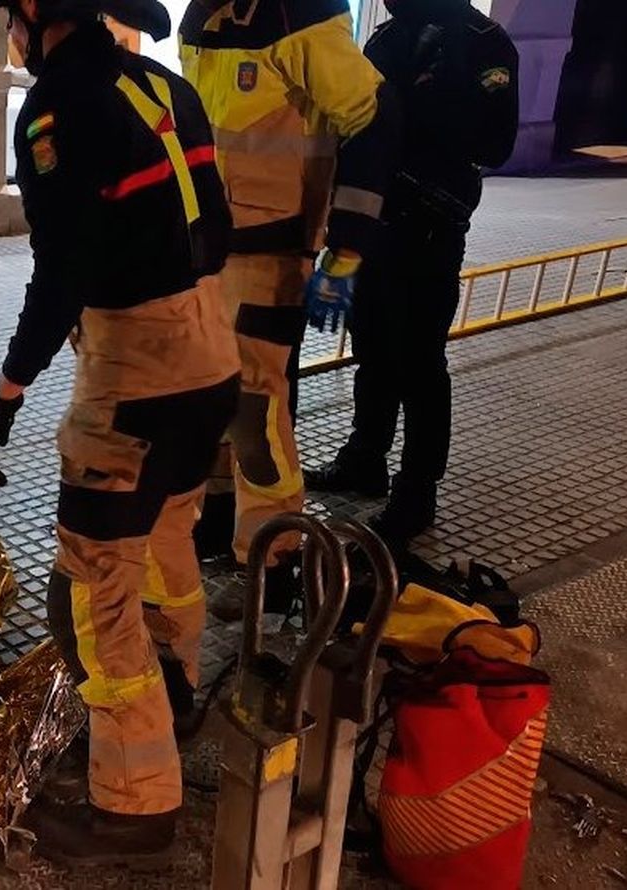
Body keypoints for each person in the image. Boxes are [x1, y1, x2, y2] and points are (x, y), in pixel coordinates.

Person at [0, 0, 237, 865]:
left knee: (88, 596)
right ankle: (177, 698)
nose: (5, 29)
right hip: (212, 354)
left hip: (138, 377)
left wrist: (7, 390)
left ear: (36, 11)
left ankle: (134, 806)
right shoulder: (164, 86)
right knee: (168, 542)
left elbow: (63, 275)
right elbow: (218, 224)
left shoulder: (55, 108)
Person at [178, 0, 399, 621]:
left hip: (271, 250)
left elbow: (375, 118)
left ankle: (272, 562)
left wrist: (347, 245)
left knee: (255, 405)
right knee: (216, 393)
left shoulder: (298, 12)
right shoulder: (207, 13)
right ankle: (222, 528)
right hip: (215, 247)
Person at [306, 0, 518, 543]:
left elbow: (497, 143)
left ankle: (418, 491)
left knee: (420, 366)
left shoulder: (483, 42)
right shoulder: (388, 37)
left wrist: (423, 111)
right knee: (373, 353)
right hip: (373, 221)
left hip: (428, 229)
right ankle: (364, 458)